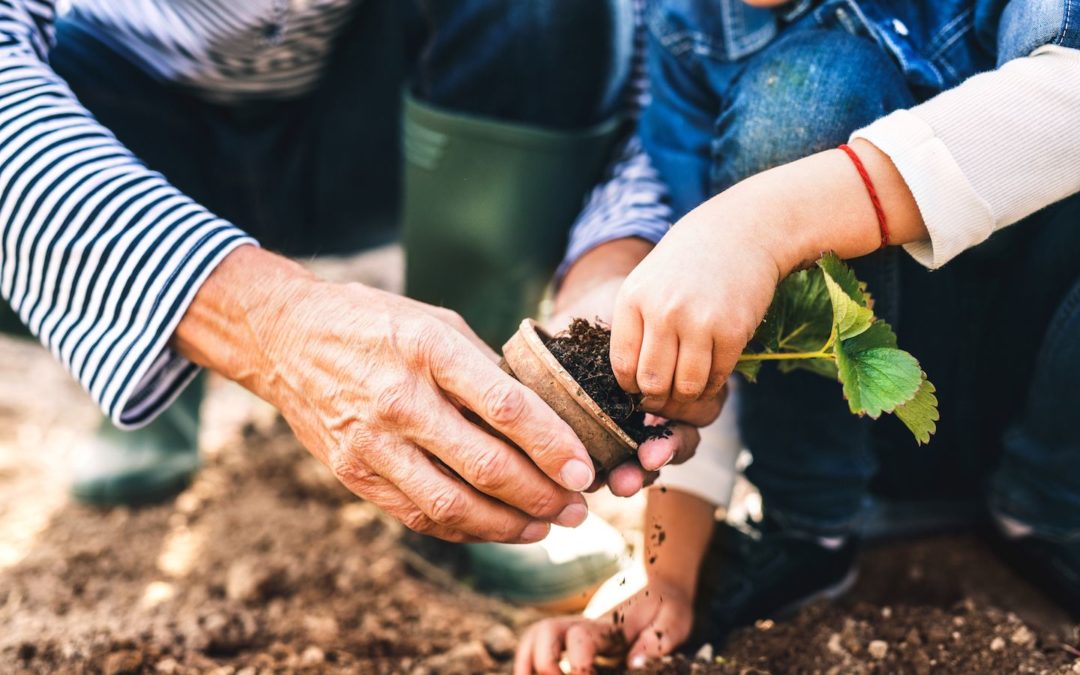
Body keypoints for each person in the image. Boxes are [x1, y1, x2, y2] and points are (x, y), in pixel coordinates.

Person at [0, 0, 714, 547]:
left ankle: (480, 432)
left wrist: (611, 260)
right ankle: (156, 364)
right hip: (116, 114)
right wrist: (268, 322)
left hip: (371, 120)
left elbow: (659, 58)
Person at [515, 0, 1080, 670]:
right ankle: (810, 529)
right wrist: (667, 574)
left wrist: (763, 222)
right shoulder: (687, 29)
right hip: (853, 448)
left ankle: (1050, 509)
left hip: (1047, 391)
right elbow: (695, 312)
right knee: (807, 90)